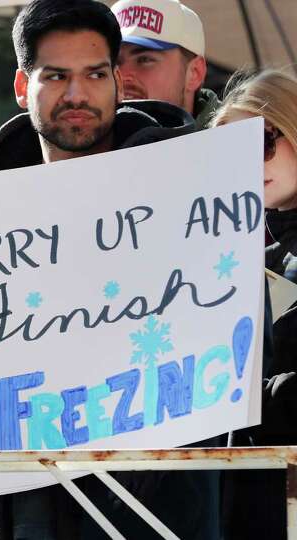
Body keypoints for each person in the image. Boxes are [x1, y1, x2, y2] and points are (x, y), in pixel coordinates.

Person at [0, 1, 216, 538]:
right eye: (57, 77)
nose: (77, 95)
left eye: (95, 75)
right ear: (23, 88)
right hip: (26, 500)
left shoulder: (194, 187)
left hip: (162, 500)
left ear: (117, 81)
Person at [212, 68, 297, 539]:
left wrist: (254, 398)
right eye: (229, 157)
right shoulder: (247, 263)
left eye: (261, 142)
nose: (246, 164)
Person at [111, 0, 219, 128]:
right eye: (114, 63)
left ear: (195, 73)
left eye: (144, 60)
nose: (121, 77)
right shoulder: (88, 140)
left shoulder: (238, 141)